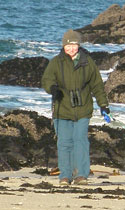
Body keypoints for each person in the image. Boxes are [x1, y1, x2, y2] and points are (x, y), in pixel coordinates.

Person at [41, 29, 110, 185]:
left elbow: (97, 85)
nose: (71, 48)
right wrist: (52, 89)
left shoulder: (88, 62)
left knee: (80, 141)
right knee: (64, 142)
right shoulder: (56, 62)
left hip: (83, 108)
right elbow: (46, 80)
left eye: (74, 45)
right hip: (62, 108)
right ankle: (65, 176)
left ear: (78, 45)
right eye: (68, 45)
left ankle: (81, 175)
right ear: (63, 46)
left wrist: (103, 105)